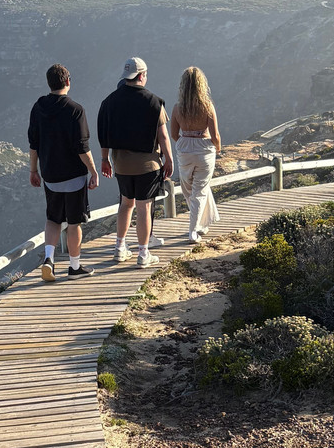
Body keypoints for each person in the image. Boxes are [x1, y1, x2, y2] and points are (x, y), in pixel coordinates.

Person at [98, 56, 173, 268]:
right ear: (141, 76)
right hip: (147, 164)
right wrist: (168, 158)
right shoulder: (153, 101)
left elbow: (104, 135)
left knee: (125, 204)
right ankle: (143, 253)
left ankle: (119, 248)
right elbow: (163, 136)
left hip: (120, 163)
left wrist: (105, 159)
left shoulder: (109, 102)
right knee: (143, 207)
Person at [28, 63, 99, 281]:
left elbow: (34, 144)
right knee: (74, 222)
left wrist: (33, 170)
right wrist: (93, 171)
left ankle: (49, 259)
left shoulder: (38, 107)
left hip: (49, 174)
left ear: (49, 83)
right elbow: (82, 147)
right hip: (74, 176)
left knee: (53, 218)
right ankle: (74, 267)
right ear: (68, 81)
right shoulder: (75, 109)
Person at [170, 66, 221, 243]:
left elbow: (173, 134)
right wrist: (218, 148)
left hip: (185, 149)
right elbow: (215, 135)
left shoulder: (178, 108)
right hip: (204, 149)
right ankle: (194, 230)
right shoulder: (208, 107)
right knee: (201, 189)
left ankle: (200, 224)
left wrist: (186, 143)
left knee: (189, 188)